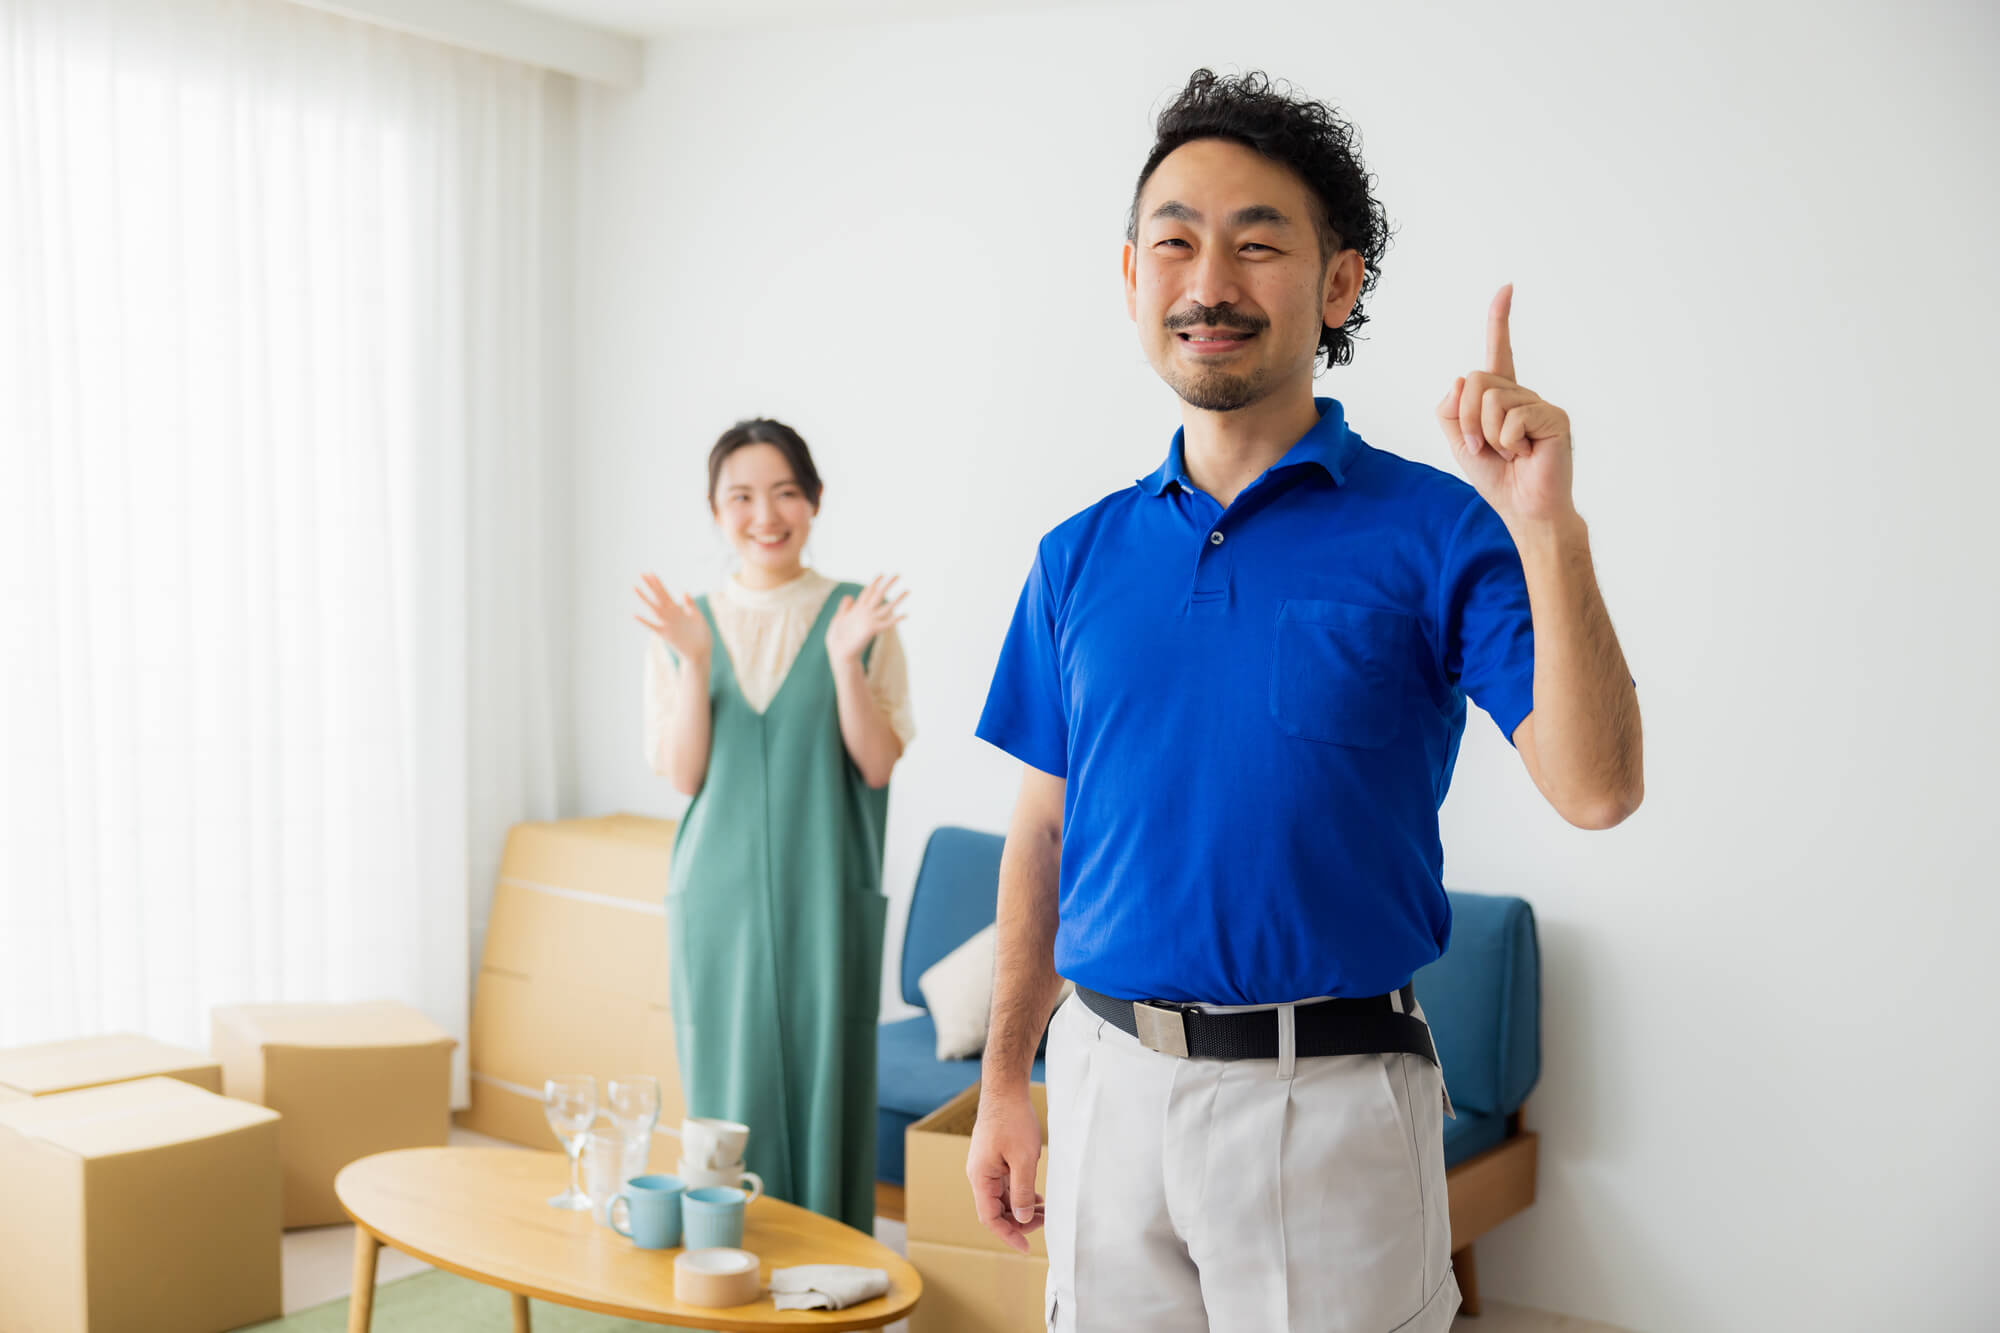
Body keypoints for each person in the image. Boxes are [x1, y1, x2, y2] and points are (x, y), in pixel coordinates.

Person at [967, 69, 1643, 1332]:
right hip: (1103, 1088)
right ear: (1131, 279)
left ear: (1338, 284)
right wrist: (1008, 1077)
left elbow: (1595, 785)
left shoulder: (1438, 528)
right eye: (1173, 241)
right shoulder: (1075, 556)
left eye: (1256, 242)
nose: (1207, 280)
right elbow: (1042, 834)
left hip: (1322, 1103)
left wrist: (1548, 530)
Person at [636, 417, 914, 1232]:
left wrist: (842, 661)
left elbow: (878, 764)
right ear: (716, 511)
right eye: (742, 496)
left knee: (827, 1088)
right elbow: (686, 774)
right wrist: (691, 660)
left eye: (786, 491)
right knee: (727, 1102)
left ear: (816, 499)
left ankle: (832, 1291)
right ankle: (730, 1279)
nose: (766, 514)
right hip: (716, 903)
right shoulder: (683, 624)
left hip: (824, 890)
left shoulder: (858, 615)